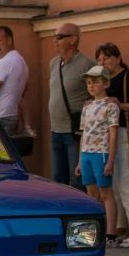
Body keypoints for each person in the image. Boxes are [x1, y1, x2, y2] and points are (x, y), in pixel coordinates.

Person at [96, 42, 129, 248]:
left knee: (128, 183)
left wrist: (121, 105)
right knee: (114, 185)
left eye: (107, 58)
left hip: (128, 134)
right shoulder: (101, 81)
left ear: (118, 58)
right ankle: (118, 228)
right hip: (109, 137)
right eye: (99, 59)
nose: (103, 62)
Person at [76, 65, 119, 245]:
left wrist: (110, 160)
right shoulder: (87, 106)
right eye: (88, 83)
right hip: (86, 153)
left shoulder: (111, 106)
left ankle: (110, 234)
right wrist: (79, 160)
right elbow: (84, 133)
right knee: (90, 194)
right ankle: (92, 233)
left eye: (95, 82)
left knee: (105, 193)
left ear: (106, 83)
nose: (91, 86)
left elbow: (113, 133)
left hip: (101, 153)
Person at [48, 22, 95, 188]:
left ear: (73, 40)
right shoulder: (54, 64)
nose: (55, 40)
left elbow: (96, 94)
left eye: (59, 37)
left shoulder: (87, 65)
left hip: (74, 132)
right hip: (55, 130)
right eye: (54, 37)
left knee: (77, 180)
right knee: (57, 179)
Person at [0, 26, 29, 134]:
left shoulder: (4, 62)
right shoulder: (21, 61)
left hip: (0, 118)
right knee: (5, 151)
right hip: (11, 116)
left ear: (9, 40)